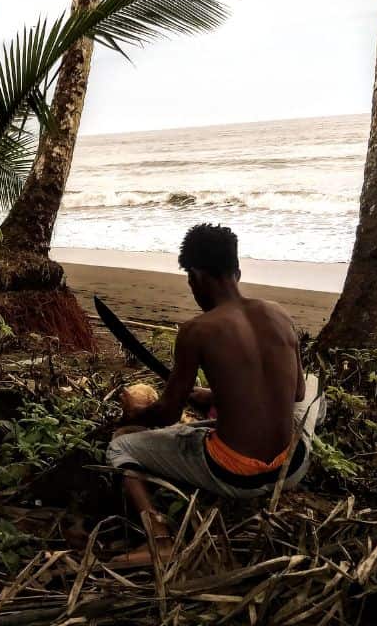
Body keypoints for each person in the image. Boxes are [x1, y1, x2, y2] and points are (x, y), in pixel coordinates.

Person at [106, 224, 318, 563]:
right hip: (291, 467)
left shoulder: (197, 331)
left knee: (120, 445)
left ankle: (159, 540)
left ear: (197, 277)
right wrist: (211, 396)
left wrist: (135, 415)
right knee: (313, 386)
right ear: (236, 271)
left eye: (191, 280)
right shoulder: (279, 315)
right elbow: (296, 393)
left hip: (235, 475)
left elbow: (168, 415)